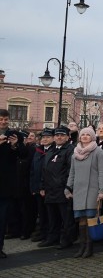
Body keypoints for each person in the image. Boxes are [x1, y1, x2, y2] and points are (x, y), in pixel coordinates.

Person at [65, 126, 103, 258]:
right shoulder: (74, 153)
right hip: (78, 190)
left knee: (90, 219)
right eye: (83, 135)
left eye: (88, 135)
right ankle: (82, 246)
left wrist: (102, 191)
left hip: (92, 190)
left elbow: (102, 173)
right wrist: (68, 187)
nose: (85, 137)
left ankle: (89, 247)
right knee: (81, 220)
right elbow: (72, 173)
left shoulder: (99, 153)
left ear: (93, 137)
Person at [39, 126, 76, 249]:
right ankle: (53, 238)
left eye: (62, 135)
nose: (59, 137)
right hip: (50, 190)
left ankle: (67, 239)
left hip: (62, 190)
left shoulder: (70, 150)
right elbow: (45, 170)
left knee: (65, 218)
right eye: (57, 135)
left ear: (67, 137)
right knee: (52, 217)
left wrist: (68, 187)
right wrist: (42, 186)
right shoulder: (51, 150)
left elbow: (71, 170)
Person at [0, 109, 28, 259]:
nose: (3, 122)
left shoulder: (13, 134)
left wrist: (14, 145)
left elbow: (23, 154)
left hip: (5, 185)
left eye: (5, 119)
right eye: (1, 119)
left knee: (2, 219)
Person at [30, 129, 54, 243]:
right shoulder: (38, 151)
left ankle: (49, 234)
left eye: (48, 137)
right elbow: (33, 170)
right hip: (38, 188)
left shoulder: (54, 151)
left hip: (48, 188)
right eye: (43, 137)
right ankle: (43, 232)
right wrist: (34, 187)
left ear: (53, 138)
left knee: (49, 213)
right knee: (42, 212)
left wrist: (43, 187)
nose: (44, 139)